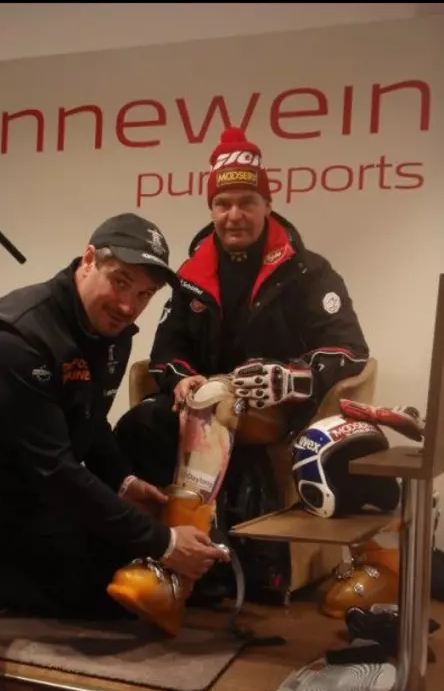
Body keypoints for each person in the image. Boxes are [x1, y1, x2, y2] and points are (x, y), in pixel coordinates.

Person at [0, 212, 223, 691]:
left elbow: (89, 422)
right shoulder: (17, 333)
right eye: (121, 282)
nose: (128, 305)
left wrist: (124, 480)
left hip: (25, 489)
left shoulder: (113, 332)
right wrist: (163, 541)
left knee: (110, 588)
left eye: (144, 295)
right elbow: (54, 468)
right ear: (89, 259)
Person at [113, 128, 370, 582]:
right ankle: (139, 549)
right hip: (203, 403)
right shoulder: (191, 275)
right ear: (211, 208)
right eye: (223, 203)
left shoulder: (308, 271)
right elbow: (165, 352)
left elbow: (350, 350)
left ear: (267, 204)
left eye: (247, 202)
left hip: (280, 411)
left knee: (215, 406)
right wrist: (181, 380)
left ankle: (187, 577)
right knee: (138, 424)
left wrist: (292, 377)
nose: (234, 215)